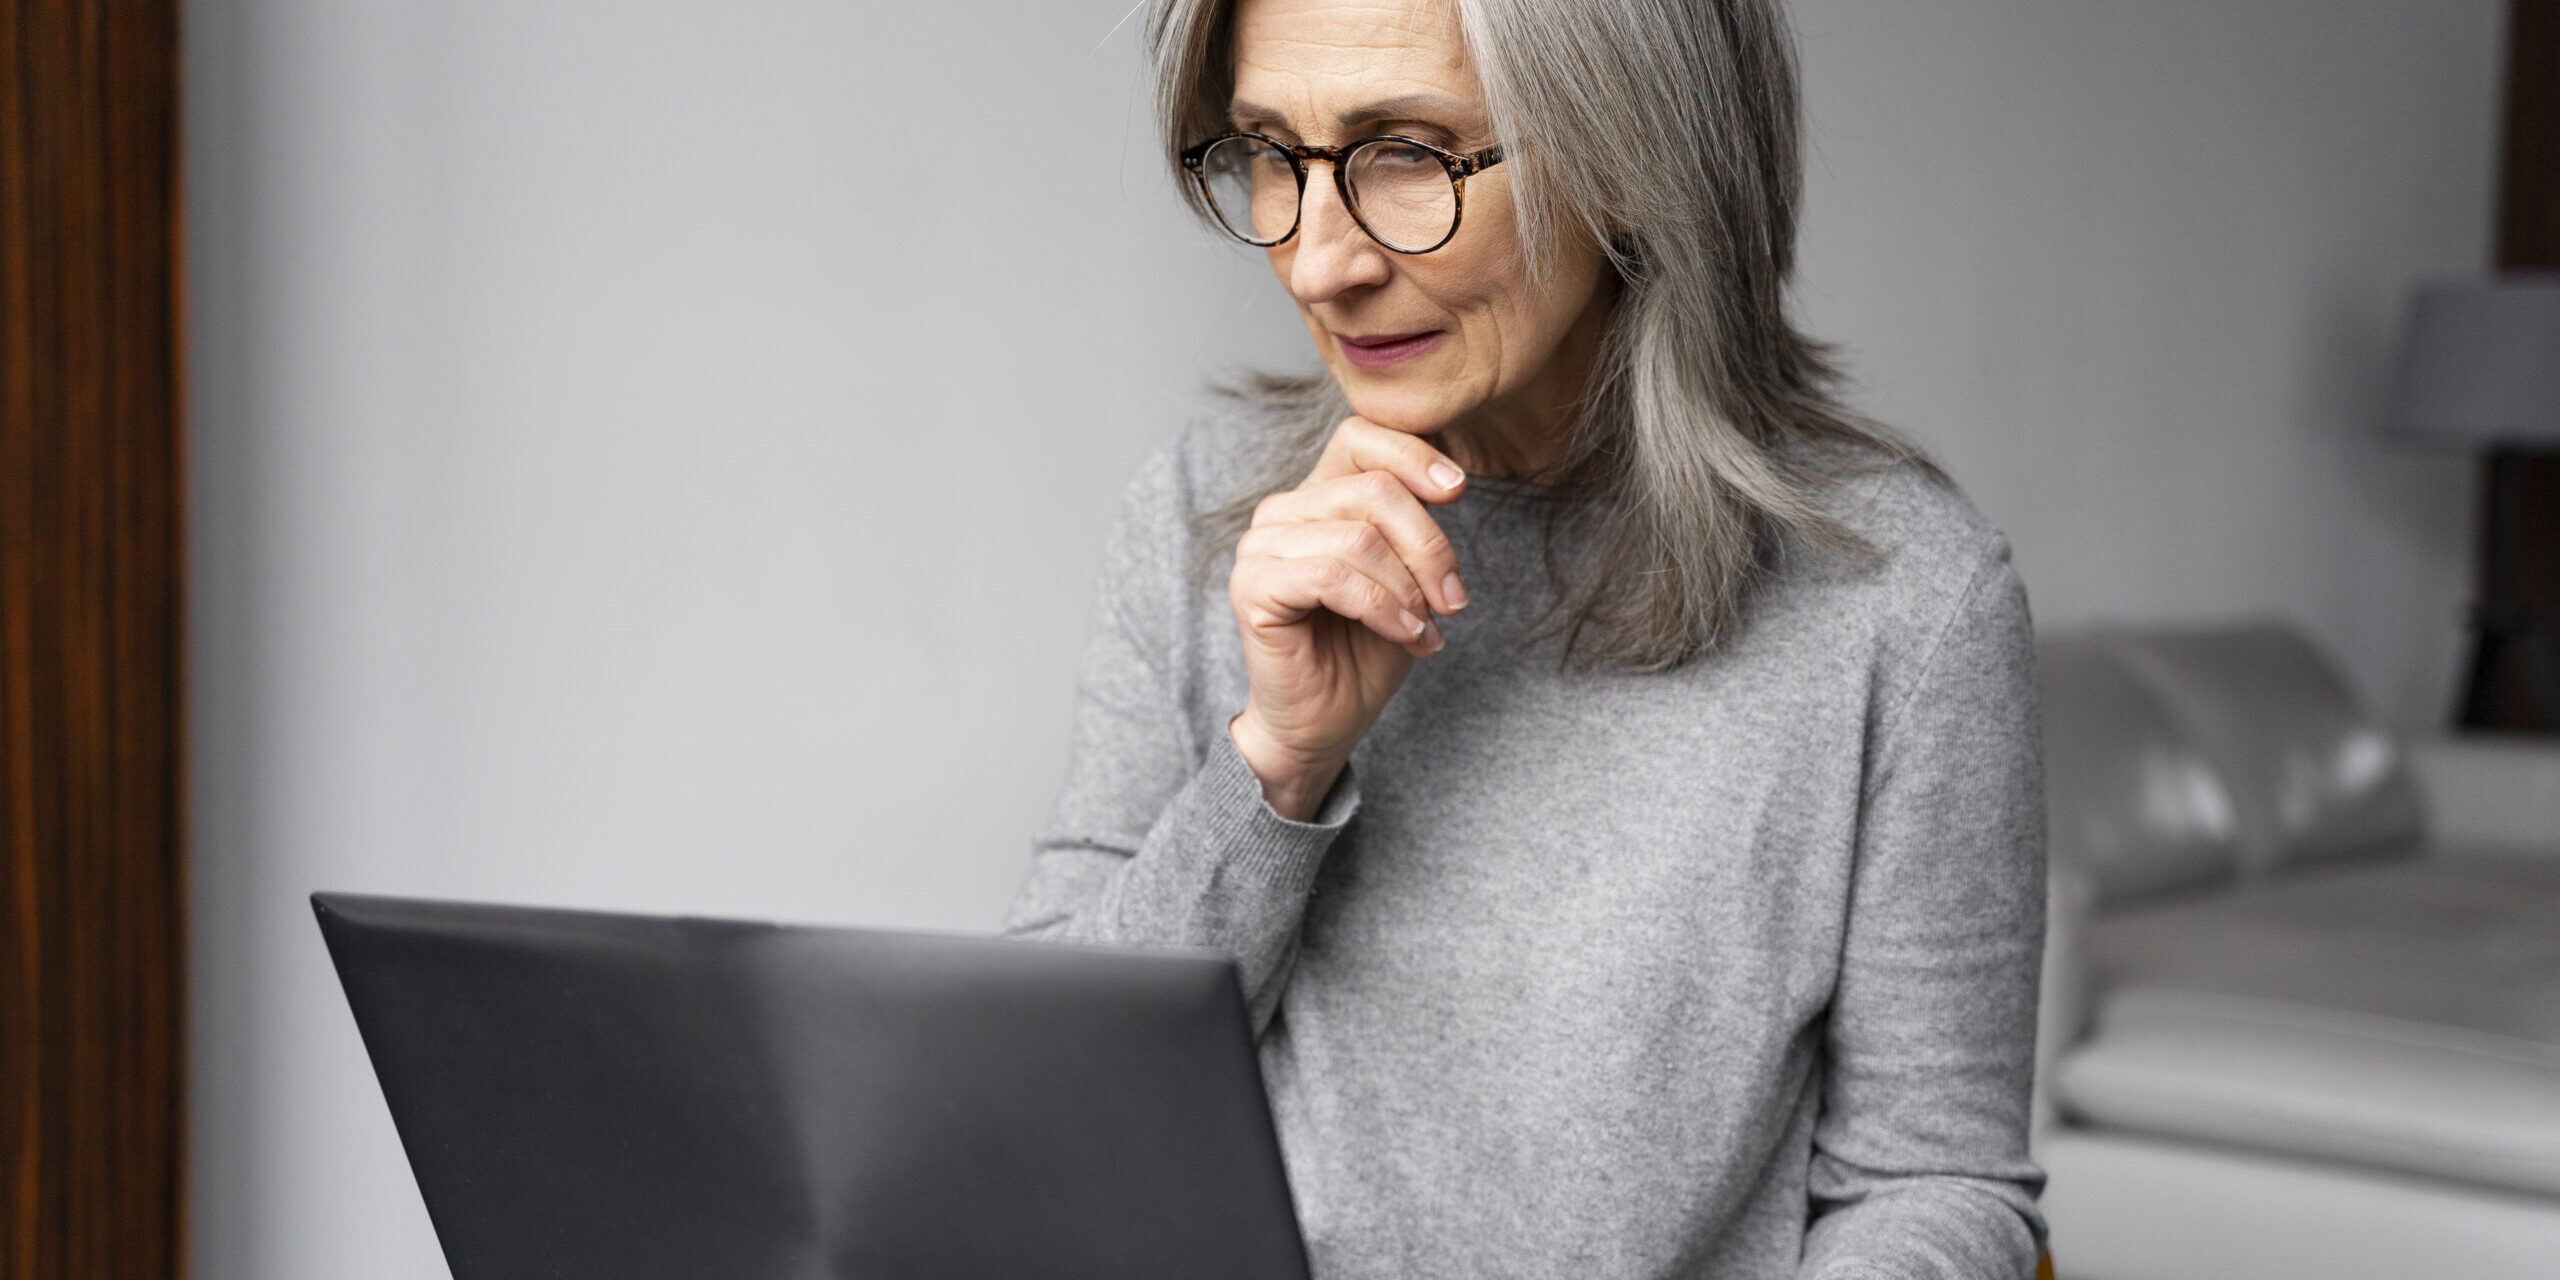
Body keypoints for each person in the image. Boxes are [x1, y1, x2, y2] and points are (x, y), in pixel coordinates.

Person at [1003, 0, 2050, 1275]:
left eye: (1408, 154)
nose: (1318, 262)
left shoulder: (1906, 600)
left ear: (1629, 157)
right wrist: (1274, 766)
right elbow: (1039, 1117)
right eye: (1270, 152)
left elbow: (1936, 1186)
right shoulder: (1205, 512)